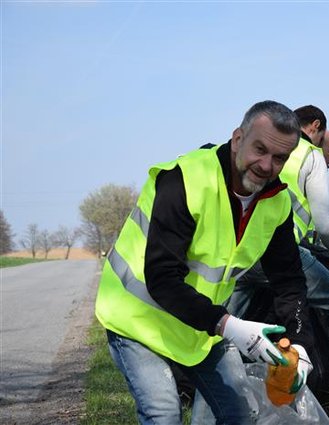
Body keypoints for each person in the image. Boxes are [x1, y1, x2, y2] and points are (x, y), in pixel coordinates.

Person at [94, 100, 314, 425]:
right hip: (138, 320)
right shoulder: (185, 180)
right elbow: (162, 278)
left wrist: (300, 342)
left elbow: (289, 281)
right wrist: (230, 326)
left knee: (241, 414)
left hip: (200, 328)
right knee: (164, 414)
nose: (266, 165)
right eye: (260, 149)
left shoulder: (276, 203)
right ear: (238, 139)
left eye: (279, 157)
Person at [224, 105, 329, 400]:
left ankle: (197, 384)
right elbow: (324, 220)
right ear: (314, 127)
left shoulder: (258, 149)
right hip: (278, 252)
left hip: (239, 249)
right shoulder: (308, 154)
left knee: (226, 321)